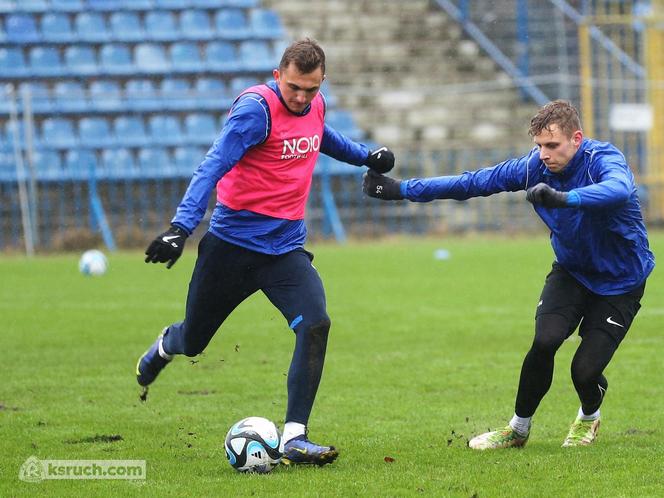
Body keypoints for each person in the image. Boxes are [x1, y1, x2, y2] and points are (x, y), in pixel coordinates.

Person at [138, 38, 395, 466]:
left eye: (310, 90)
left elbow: (320, 136)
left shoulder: (315, 105)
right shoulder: (254, 112)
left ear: (322, 83)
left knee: (315, 324)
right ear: (278, 76)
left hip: (284, 250)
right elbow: (213, 165)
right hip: (231, 250)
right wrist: (179, 229)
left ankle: (295, 436)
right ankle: (167, 344)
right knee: (195, 339)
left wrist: (367, 156)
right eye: (293, 87)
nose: (301, 97)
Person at [363, 100, 654, 449]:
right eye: (538, 146)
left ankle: (589, 415)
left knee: (584, 372)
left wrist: (565, 198)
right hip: (573, 271)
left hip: (621, 281)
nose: (543, 154)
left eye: (552, 145)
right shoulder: (534, 168)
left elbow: (619, 189)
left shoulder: (603, 160)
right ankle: (517, 429)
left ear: (577, 139)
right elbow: (473, 183)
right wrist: (401, 190)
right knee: (544, 341)